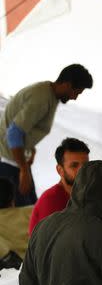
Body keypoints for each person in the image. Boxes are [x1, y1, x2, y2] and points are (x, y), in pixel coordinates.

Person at [0, 64, 93, 206]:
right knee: (20, 215)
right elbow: (14, 133)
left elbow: (26, 129)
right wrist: (24, 170)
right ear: (67, 85)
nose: (75, 98)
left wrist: (30, 148)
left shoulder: (49, 95)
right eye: (76, 92)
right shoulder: (41, 98)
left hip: (17, 161)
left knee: (31, 210)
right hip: (9, 163)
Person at [28, 138, 90, 234]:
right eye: (74, 165)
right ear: (60, 170)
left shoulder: (88, 195)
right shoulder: (51, 199)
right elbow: (50, 245)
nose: (82, 170)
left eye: (86, 165)